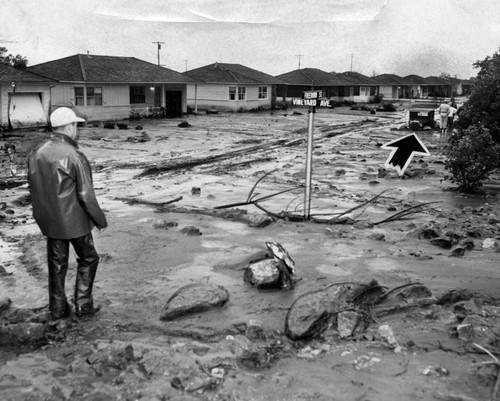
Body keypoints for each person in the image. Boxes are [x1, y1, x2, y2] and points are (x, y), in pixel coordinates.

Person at [27, 107, 108, 320]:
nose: (77, 130)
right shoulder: (74, 155)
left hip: (49, 221)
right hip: (74, 221)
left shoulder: (38, 152)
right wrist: (100, 219)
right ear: (70, 126)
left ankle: (58, 309)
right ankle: (83, 305)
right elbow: (85, 194)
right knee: (89, 258)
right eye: (76, 126)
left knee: (57, 264)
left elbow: (33, 187)